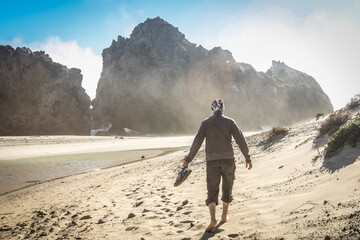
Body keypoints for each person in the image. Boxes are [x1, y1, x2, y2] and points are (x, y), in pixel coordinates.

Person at [183, 99, 252, 233]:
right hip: (228, 160)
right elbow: (240, 140)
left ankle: (213, 219)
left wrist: (188, 160)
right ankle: (224, 216)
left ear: (212, 109)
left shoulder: (206, 123)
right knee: (227, 188)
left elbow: (197, 142)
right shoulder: (230, 122)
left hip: (212, 161)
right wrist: (247, 157)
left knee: (212, 190)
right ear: (223, 109)